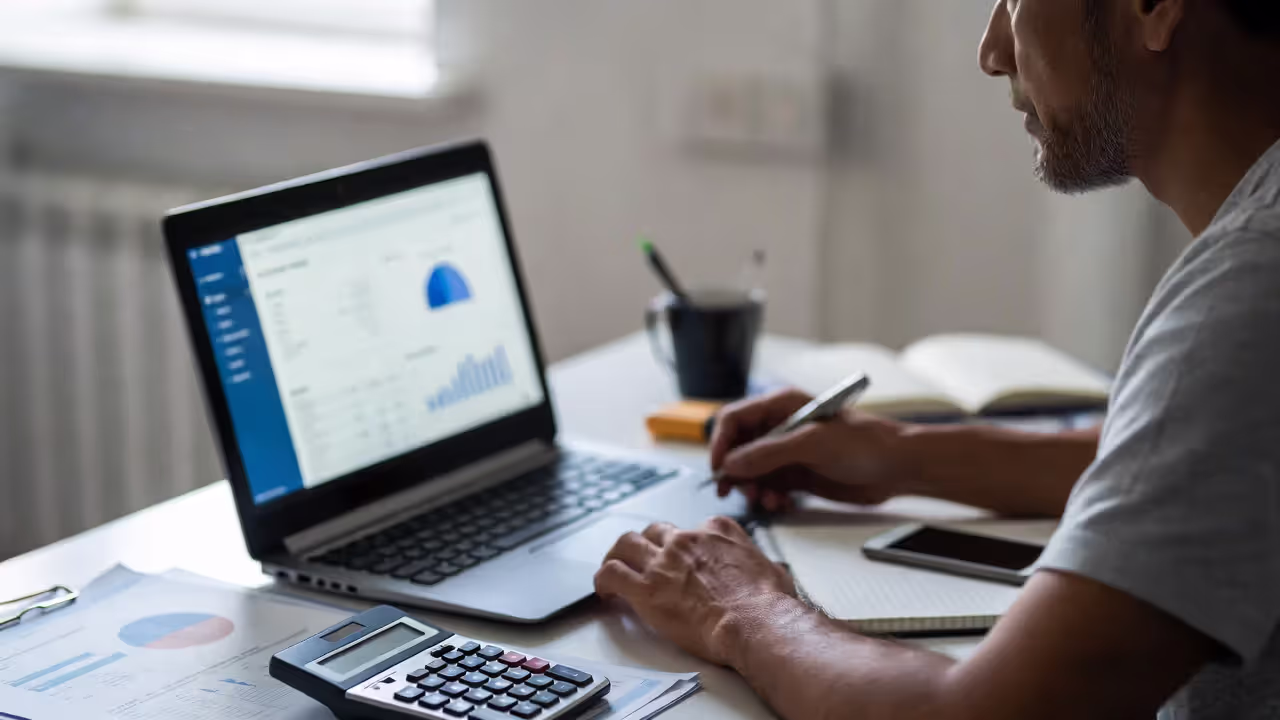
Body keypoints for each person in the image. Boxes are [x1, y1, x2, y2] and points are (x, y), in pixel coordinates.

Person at [593, 0, 1280, 717]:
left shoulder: (1247, 301)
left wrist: (740, 608)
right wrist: (901, 454)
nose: (992, 50)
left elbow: (982, 713)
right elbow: (1191, 463)